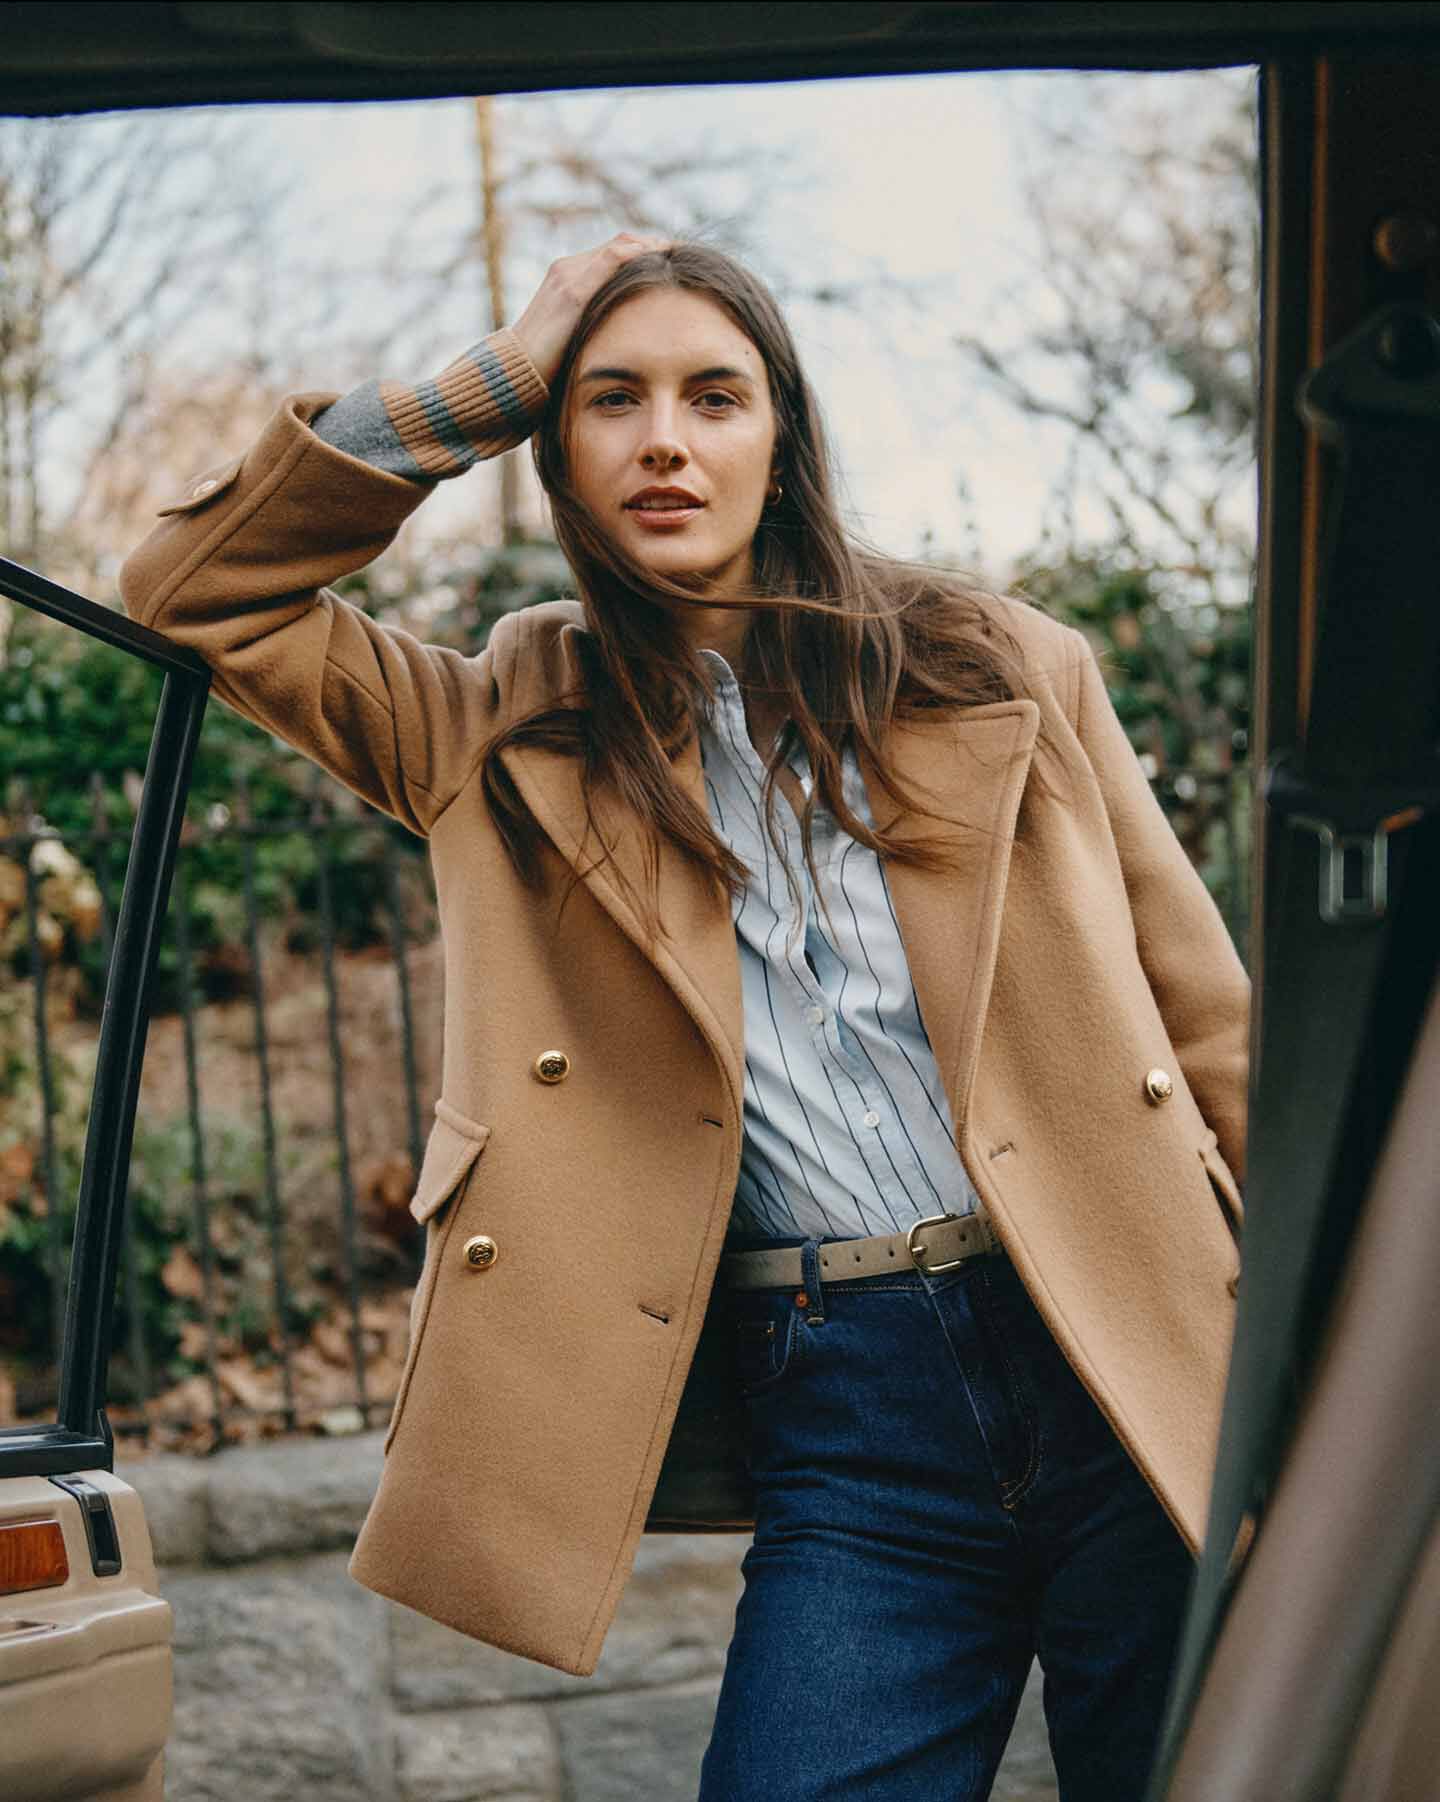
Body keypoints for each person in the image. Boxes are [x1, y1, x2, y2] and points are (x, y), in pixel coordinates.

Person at [119, 233, 1249, 1801]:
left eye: (715, 396)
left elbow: (1213, 1030)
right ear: (558, 456)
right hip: (848, 1415)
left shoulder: (1001, 666)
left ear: (780, 436)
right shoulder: (495, 726)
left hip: (1125, 1343)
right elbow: (195, 589)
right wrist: (487, 381)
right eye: (607, 400)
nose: (665, 437)